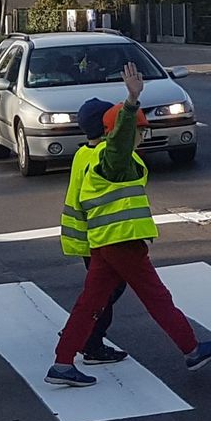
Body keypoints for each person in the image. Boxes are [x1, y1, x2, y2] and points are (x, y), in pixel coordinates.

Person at [46, 64, 211, 387]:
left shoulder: (88, 156)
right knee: (156, 296)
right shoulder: (112, 158)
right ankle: (192, 349)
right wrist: (131, 101)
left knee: (90, 303)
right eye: (139, 132)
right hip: (123, 241)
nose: (143, 136)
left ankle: (62, 363)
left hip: (103, 241)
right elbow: (118, 143)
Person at [54, 98, 130, 364]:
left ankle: (80, 329)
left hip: (85, 234)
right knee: (106, 292)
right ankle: (91, 340)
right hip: (99, 235)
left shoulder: (82, 153)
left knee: (102, 290)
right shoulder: (101, 156)